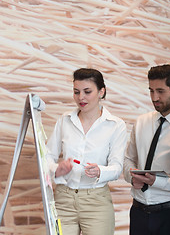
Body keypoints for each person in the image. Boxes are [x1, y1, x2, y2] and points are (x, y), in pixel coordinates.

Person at [46, 68, 127, 235]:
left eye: (87, 91)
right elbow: (47, 156)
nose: (80, 97)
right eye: (76, 92)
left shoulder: (116, 125)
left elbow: (117, 166)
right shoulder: (64, 120)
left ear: (101, 91)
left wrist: (100, 171)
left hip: (96, 201)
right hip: (64, 200)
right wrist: (56, 169)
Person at [123, 64, 170, 235]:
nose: (154, 97)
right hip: (138, 212)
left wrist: (158, 182)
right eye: (151, 90)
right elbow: (128, 159)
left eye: (160, 91)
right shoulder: (141, 122)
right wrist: (132, 177)